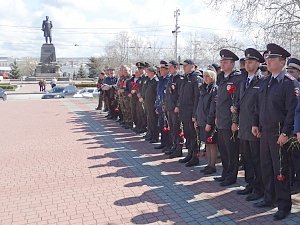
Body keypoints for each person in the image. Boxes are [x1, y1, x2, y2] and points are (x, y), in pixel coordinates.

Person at [252, 43, 298, 220]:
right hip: (265, 132)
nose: (268, 62)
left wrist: (286, 133)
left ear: (282, 61)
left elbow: (292, 111)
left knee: (281, 171)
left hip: (279, 133)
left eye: (272, 59)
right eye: (267, 58)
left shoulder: (288, 83)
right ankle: (269, 198)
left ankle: (284, 205)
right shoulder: (265, 81)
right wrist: (256, 123)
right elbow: (259, 107)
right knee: (267, 167)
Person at [234, 48, 264, 201]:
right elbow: (241, 100)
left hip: (254, 127)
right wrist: (236, 109)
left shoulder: (262, 81)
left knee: (256, 159)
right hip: (243, 126)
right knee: (246, 158)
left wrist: (256, 124)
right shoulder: (244, 80)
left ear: (258, 64)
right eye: (246, 61)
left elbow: (259, 107)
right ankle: (250, 184)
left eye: (250, 61)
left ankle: (259, 188)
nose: (247, 64)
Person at [214, 49, 243, 186]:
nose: (222, 64)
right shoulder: (222, 77)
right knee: (224, 150)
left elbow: (237, 101)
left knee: (231, 150)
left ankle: (231, 176)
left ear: (232, 64)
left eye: (225, 62)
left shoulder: (237, 78)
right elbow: (220, 100)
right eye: (221, 62)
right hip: (221, 119)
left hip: (230, 121)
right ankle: (225, 173)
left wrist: (235, 121)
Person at [178, 59, 202, 167]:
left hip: (191, 111)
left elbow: (197, 98)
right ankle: (190, 154)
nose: (184, 67)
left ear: (192, 66)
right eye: (183, 65)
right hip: (184, 111)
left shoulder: (196, 79)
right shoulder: (185, 78)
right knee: (188, 134)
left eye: (186, 65)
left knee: (193, 135)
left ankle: (195, 157)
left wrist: (194, 114)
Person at [195, 70, 218, 174]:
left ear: (212, 77)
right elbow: (199, 105)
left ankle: (212, 165)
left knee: (211, 143)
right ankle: (208, 164)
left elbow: (212, 108)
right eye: (204, 76)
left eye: (207, 76)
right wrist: (197, 118)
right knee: (207, 144)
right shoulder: (203, 89)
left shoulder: (214, 89)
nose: (205, 78)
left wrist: (209, 122)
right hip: (202, 119)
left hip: (209, 121)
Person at [164, 60, 184, 158]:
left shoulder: (179, 79)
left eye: (171, 67)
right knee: (172, 128)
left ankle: (179, 149)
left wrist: (178, 106)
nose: (169, 69)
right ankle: (174, 146)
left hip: (175, 108)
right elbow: (168, 93)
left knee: (177, 128)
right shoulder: (170, 78)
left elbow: (180, 94)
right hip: (169, 107)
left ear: (176, 67)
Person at [286, 58, 300, 194]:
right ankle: (291, 180)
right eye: (288, 71)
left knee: (297, 157)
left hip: (297, 128)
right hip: (288, 127)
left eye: (292, 71)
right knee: (289, 156)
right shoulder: (287, 85)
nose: (289, 74)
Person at [143, 66, 159, 143]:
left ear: (153, 72)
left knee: (153, 121)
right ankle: (151, 135)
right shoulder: (149, 80)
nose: (147, 73)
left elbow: (156, 94)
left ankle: (155, 137)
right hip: (148, 103)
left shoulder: (156, 81)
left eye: (148, 72)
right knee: (150, 120)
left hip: (153, 104)